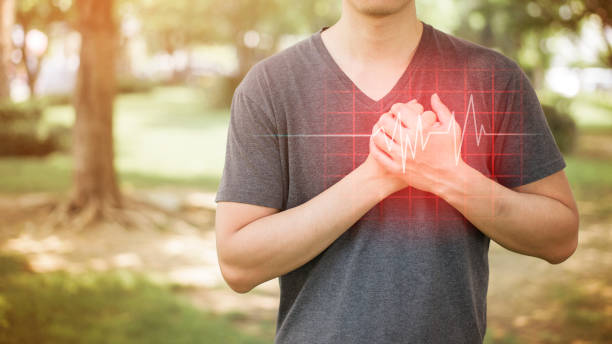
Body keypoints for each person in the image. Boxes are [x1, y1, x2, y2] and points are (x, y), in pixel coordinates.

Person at [214, 0, 580, 342]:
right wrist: (379, 175)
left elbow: (559, 237)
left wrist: (449, 176)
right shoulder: (269, 87)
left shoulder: (494, 78)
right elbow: (238, 264)